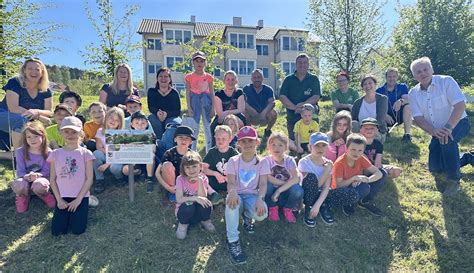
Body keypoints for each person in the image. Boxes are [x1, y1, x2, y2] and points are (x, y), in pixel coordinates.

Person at [408, 57, 470, 196]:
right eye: (418, 72)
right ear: (414, 76)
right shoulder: (413, 93)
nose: (422, 73)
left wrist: (448, 128)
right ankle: (466, 157)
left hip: (458, 122)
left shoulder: (446, 81)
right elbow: (418, 118)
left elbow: (460, 106)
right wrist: (434, 131)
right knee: (435, 167)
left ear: (432, 69)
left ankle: (454, 181)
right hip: (436, 130)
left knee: (447, 142)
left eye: (425, 69)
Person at [225, 126, 269, 264]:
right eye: (243, 141)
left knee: (262, 214)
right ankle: (233, 240)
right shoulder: (233, 161)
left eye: (251, 140)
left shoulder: (263, 162)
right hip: (237, 194)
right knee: (231, 203)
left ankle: (247, 217)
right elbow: (231, 182)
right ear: (238, 144)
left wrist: (260, 199)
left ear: (257, 142)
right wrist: (232, 192)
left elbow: (262, 184)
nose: (247, 144)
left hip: (251, 195)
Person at [48, 116, 95, 236]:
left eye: (74, 132)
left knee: (78, 230)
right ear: (61, 132)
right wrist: (59, 200)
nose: (70, 135)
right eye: (66, 131)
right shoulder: (55, 153)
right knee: (57, 232)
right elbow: (52, 179)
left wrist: (78, 200)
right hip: (63, 197)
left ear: (81, 133)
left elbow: (89, 178)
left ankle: (87, 203)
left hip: (81, 196)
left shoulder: (86, 153)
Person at [0, 58, 53, 156]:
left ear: (42, 72)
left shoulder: (46, 90)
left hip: (26, 120)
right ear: (24, 70)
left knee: (46, 124)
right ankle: (19, 157)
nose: (34, 72)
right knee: (21, 120)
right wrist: (37, 116)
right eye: (30, 68)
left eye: (37, 69)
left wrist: (36, 112)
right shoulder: (15, 82)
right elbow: (13, 108)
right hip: (4, 115)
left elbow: (49, 112)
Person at [332, 133, 385, 217]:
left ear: (363, 150)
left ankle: (364, 200)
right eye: (353, 149)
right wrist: (354, 178)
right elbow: (338, 185)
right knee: (364, 187)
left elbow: (378, 173)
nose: (356, 153)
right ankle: (348, 203)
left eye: (360, 150)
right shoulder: (340, 163)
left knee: (383, 173)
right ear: (346, 148)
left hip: (357, 184)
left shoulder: (360, 158)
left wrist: (367, 179)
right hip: (341, 190)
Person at [11, 121, 55, 213]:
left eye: (36, 136)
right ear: (25, 138)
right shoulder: (20, 152)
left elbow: (47, 171)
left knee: (39, 185)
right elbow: (20, 171)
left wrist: (37, 175)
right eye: (29, 137)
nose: (32, 139)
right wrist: (27, 176)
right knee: (18, 184)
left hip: (42, 179)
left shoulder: (48, 152)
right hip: (25, 179)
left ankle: (45, 195)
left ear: (43, 136)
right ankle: (24, 196)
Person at [279, 53, 321, 140]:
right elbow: (282, 96)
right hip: (293, 111)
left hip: (309, 110)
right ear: (296, 64)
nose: (302, 65)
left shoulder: (314, 79)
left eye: (305, 62)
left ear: (308, 65)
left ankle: (313, 139)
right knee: (293, 142)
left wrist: (303, 106)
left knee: (313, 109)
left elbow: (316, 96)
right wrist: (295, 108)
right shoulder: (288, 79)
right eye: (300, 62)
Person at [175, 151, 216, 239]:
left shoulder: (203, 178)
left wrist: (200, 181)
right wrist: (195, 198)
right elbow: (179, 199)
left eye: (194, 166)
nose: (191, 170)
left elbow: (203, 196)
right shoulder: (180, 179)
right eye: (188, 167)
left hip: (198, 212)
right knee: (188, 205)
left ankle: (205, 220)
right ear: (183, 168)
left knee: (206, 202)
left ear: (200, 166)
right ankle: (183, 224)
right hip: (185, 211)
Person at [264, 132, 303, 223]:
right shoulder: (266, 161)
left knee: (298, 190)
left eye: (280, 145)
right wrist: (285, 184)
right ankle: (272, 208)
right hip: (271, 195)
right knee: (267, 185)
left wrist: (279, 190)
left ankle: (288, 208)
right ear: (268, 147)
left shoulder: (290, 160)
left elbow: (296, 178)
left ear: (286, 147)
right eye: (273, 145)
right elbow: (268, 177)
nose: (276, 148)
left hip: (286, 194)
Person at [298, 132, 333, 227]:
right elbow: (316, 185)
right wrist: (327, 170)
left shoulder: (329, 163)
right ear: (310, 147)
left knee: (350, 194)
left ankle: (322, 205)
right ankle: (308, 208)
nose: (320, 148)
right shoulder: (304, 162)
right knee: (311, 177)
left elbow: (326, 187)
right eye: (317, 145)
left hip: (321, 194)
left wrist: (317, 204)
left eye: (324, 145)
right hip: (307, 194)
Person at [184, 51, 215, 152]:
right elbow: (188, 93)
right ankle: (193, 151)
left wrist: (212, 108)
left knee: (207, 127)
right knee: (194, 128)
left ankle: (209, 150)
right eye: (197, 61)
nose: (199, 63)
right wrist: (189, 107)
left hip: (206, 102)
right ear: (193, 63)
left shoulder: (209, 77)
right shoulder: (189, 77)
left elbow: (211, 93)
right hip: (194, 102)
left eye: (202, 61)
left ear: (205, 63)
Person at [155, 126, 195, 203]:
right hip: (171, 181)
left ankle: (186, 192)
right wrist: (168, 187)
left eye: (187, 138)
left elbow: (198, 173)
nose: (183, 140)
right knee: (167, 165)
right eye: (180, 137)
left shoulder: (193, 155)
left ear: (191, 141)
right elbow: (157, 173)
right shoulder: (169, 153)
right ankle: (173, 192)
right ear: (175, 139)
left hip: (186, 181)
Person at [92, 107, 127, 193]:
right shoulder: (100, 131)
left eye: (117, 120)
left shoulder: (121, 134)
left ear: (120, 123)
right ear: (106, 117)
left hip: (117, 157)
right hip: (106, 154)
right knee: (96, 154)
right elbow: (99, 147)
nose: (113, 121)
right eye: (111, 117)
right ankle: (100, 180)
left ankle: (119, 178)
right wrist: (108, 153)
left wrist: (107, 164)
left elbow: (118, 153)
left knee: (114, 167)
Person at [376, 68, 412, 142]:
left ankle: (407, 135)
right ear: (386, 77)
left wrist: (401, 101)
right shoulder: (379, 90)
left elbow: (408, 100)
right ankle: (384, 130)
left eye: (394, 76)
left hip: (400, 115)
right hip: (385, 117)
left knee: (408, 107)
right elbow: (375, 107)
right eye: (389, 77)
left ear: (397, 77)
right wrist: (384, 115)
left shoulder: (402, 87)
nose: (391, 79)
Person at [147, 67, 182, 144]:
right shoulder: (152, 91)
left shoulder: (174, 93)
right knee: (152, 120)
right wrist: (157, 113)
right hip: (156, 116)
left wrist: (166, 114)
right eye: (161, 76)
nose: (163, 78)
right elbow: (151, 107)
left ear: (170, 79)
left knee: (174, 124)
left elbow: (177, 111)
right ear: (157, 78)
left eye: (166, 76)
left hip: (171, 117)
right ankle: (158, 145)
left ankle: (168, 148)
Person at [211, 71, 246, 144]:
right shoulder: (219, 94)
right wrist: (226, 115)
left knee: (242, 123)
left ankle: (242, 144)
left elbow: (241, 109)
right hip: (222, 116)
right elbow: (220, 113)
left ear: (236, 81)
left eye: (232, 79)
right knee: (214, 126)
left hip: (237, 115)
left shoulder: (239, 92)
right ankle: (215, 146)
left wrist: (227, 112)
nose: (230, 81)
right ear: (224, 81)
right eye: (228, 79)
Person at [203, 125, 238, 195]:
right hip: (215, 181)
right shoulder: (212, 152)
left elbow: (239, 169)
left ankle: (232, 193)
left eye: (224, 139)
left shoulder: (233, 153)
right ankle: (213, 194)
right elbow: (203, 168)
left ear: (230, 139)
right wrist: (215, 174)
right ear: (214, 138)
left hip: (229, 181)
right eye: (218, 138)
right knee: (200, 176)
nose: (220, 141)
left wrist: (228, 177)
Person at [351, 75, 388, 140]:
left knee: (375, 138)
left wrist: (367, 130)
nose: (367, 86)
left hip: (376, 131)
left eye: (370, 83)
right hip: (360, 131)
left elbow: (380, 120)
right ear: (362, 87)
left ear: (375, 84)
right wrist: (362, 131)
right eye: (365, 84)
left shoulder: (383, 99)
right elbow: (353, 119)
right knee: (353, 124)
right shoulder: (357, 102)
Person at [243, 69, 277, 138]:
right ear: (252, 79)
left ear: (262, 78)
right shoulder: (246, 88)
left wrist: (264, 112)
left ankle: (267, 130)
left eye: (259, 77)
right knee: (244, 111)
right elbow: (243, 102)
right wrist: (252, 111)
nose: (257, 79)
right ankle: (249, 132)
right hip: (251, 115)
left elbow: (272, 103)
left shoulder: (268, 89)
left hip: (264, 116)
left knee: (273, 113)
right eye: (254, 77)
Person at [129, 111, 156, 192]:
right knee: (126, 170)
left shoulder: (150, 135)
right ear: (132, 125)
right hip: (134, 158)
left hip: (146, 157)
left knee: (151, 156)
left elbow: (153, 149)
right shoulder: (128, 135)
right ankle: (139, 173)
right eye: (137, 123)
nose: (140, 125)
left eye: (143, 123)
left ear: (147, 124)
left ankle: (149, 178)